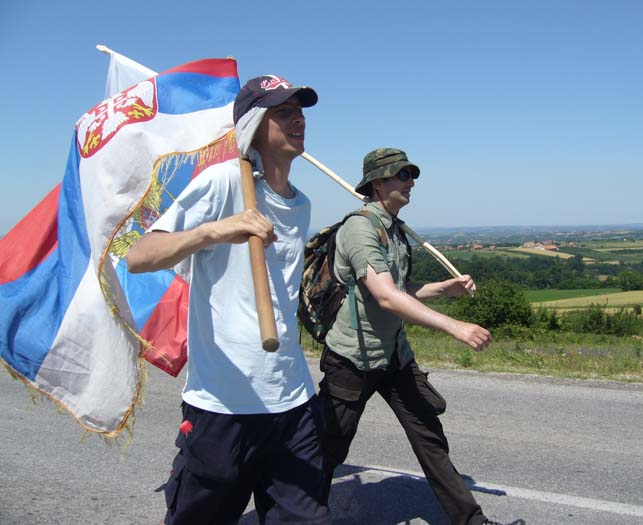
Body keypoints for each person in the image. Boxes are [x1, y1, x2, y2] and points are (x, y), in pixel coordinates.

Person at [127, 75, 330, 525]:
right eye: (283, 112)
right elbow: (140, 256)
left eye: (300, 112)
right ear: (254, 126)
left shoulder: (301, 204)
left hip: (293, 399)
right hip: (223, 404)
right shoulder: (223, 183)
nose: (299, 119)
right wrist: (216, 230)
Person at [318, 148, 525, 525]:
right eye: (402, 175)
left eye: (411, 174)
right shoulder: (360, 229)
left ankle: (471, 521)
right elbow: (385, 296)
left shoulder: (395, 231)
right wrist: (454, 326)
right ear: (377, 184)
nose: (410, 181)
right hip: (353, 358)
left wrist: (445, 288)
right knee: (330, 445)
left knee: (429, 436)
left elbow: (400, 289)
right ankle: (294, 513)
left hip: (395, 355)